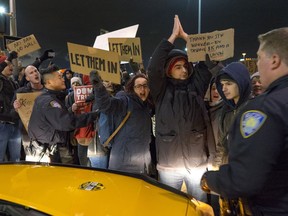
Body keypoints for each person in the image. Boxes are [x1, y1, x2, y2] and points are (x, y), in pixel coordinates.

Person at [201, 27, 288, 215]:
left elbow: (245, 178)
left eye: (259, 58)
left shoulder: (263, 108)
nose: (257, 66)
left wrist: (210, 180)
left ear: (274, 60)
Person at [147, 15, 219, 201]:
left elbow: (211, 62)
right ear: (168, 69)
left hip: (196, 163)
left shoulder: (196, 85)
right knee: (170, 207)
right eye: (178, 67)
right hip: (169, 165)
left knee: (199, 206)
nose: (184, 70)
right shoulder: (160, 90)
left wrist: (188, 38)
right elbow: (154, 67)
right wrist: (171, 38)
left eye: (185, 66)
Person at [28, 65, 98, 163]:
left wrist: (69, 111)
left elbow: (54, 119)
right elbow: (67, 123)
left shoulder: (47, 97)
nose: (63, 79)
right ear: (49, 82)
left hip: (50, 148)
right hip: (52, 154)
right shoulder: (49, 102)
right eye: (59, 77)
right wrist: (94, 115)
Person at [90, 71, 154, 175]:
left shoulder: (146, 106)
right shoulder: (125, 101)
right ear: (132, 88)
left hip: (143, 164)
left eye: (145, 86)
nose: (142, 89)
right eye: (138, 86)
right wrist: (98, 86)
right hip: (124, 166)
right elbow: (107, 105)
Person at [213, 62, 251, 167]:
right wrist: (217, 165)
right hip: (228, 169)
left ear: (241, 83)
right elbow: (222, 143)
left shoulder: (253, 110)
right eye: (222, 84)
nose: (224, 88)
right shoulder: (225, 110)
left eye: (229, 84)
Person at [12, 65, 44, 161]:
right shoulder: (21, 93)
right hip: (28, 135)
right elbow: (12, 115)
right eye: (31, 73)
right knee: (31, 162)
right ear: (27, 78)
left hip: (47, 134)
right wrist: (16, 109)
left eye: (36, 71)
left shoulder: (48, 90)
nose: (35, 73)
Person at [0, 51, 21, 162]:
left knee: (16, 160)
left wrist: (40, 60)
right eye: (8, 64)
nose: (11, 66)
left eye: (11, 64)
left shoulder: (13, 82)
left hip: (15, 123)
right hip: (2, 124)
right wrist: (8, 59)